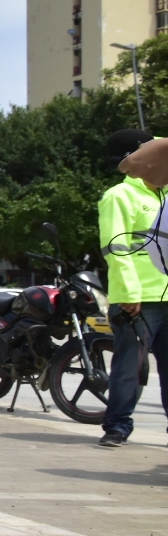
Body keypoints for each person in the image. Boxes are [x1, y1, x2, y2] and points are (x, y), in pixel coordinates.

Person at [99, 129, 168, 447]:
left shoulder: (165, 196)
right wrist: (128, 294)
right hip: (139, 299)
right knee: (130, 365)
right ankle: (117, 425)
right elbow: (115, 248)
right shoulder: (119, 196)